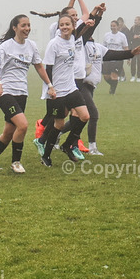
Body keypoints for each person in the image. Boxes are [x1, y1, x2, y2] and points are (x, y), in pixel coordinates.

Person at [0, 14, 45, 173]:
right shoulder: (6, 46)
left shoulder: (31, 46)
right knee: (23, 125)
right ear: (14, 28)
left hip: (22, 93)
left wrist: (50, 85)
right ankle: (16, 163)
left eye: (29, 25)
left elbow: (39, 67)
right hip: (5, 93)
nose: (27, 28)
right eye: (23, 25)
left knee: (9, 132)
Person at [38, 14, 94, 166]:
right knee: (59, 125)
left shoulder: (72, 38)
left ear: (72, 26)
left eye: (67, 24)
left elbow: (80, 30)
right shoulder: (54, 44)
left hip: (71, 88)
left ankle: (67, 145)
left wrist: (89, 22)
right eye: (61, 24)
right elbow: (47, 68)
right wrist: (50, 87)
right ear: (59, 27)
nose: (64, 27)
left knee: (85, 116)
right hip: (57, 91)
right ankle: (46, 156)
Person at [81, 26, 140, 156]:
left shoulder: (98, 47)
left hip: (91, 86)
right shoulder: (81, 45)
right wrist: (95, 20)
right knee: (93, 115)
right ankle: (92, 148)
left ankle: (54, 136)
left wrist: (131, 53)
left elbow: (112, 54)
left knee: (79, 118)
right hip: (82, 85)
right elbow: (84, 35)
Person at [101, 19, 129, 94]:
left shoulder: (122, 36)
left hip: (117, 59)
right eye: (111, 26)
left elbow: (125, 47)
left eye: (114, 26)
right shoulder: (106, 35)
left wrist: (128, 58)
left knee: (114, 76)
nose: (112, 27)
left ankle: (112, 92)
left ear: (118, 27)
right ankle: (113, 85)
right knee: (106, 76)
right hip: (108, 59)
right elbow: (103, 47)